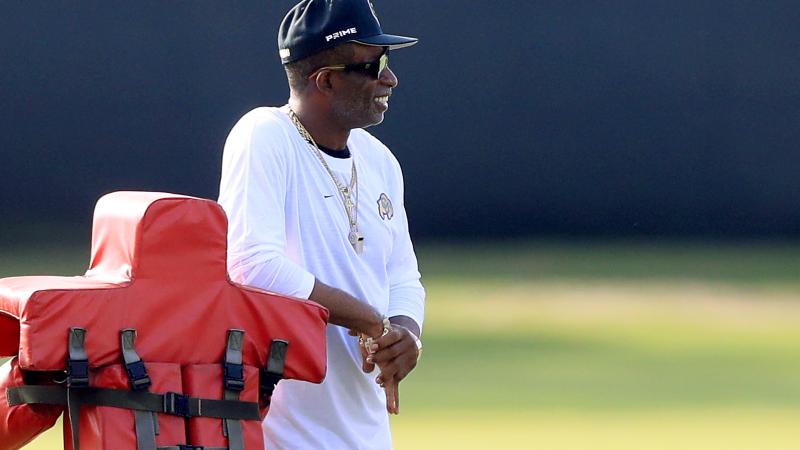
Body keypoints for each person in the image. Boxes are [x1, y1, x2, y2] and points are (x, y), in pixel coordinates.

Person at [217, 1, 425, 448]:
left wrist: (405, 333)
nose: (390, 79)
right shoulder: (264, 133)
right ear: (326, 80)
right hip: (283, 433)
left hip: (366, 432)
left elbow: (403, 277)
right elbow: (251, 265)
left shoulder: (380, 160)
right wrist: (369, 319)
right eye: (375, 65)